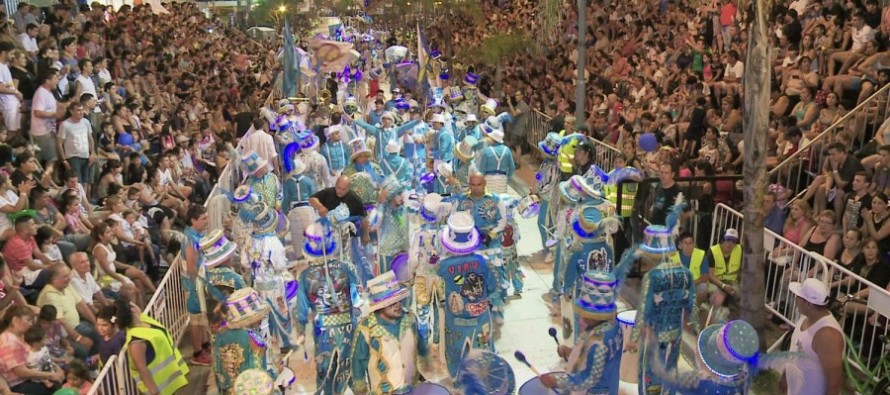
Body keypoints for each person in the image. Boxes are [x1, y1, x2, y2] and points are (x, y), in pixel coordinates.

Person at [295, 222, 359, 395]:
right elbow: (357, 298)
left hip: (323, 330)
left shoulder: (306, 276)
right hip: (349, 327)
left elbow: (300, 309)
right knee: (352, 368)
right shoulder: (346, 268)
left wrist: (300, 331)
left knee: (326, 371)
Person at [539, 270, 623, 394]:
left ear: (598, 315)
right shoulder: (613, 326)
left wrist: (556, 381)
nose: (582, 318)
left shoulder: (600, 344)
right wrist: (572, 351)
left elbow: (589, 379)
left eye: (586, 314)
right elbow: (590, 355)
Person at [437, 212, 498, 379]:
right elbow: (492, 288)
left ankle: (459, 382)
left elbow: (439, 296)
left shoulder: (442, 267)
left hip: (455, 322)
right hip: (480, 319)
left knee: (456, 354)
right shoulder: (483, 261)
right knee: (483, 354)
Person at [351, 271, 429, 395]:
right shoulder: (366, 329)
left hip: (410, 388)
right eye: (392, 303)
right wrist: (360, 388)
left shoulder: (409, 319)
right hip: (383, 391)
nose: (398, 305)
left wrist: (423, 370)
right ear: (380, 306)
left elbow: (420, 346)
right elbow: (358, 361)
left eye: (399, 300)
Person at [780, 278, 844, 395]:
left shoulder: (828, 335)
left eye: (799, 297)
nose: (795, 300)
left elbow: (834, 383)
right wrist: (785, 377)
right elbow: (793, 350)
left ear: (808, 304)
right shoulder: (806, 317)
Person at [119, 298, 190, 395]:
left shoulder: (144, 320)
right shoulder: (135, 340)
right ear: (132, 309)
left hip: (168, 379)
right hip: (157, 387)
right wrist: (153, 391)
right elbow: (141, 368)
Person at [0, 305, 64, 394]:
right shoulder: (9, 342)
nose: (30, 324)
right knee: (55, 385)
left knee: (63, 373)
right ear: (15, 320)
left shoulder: (22, 334)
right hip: (19, 383)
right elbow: (21, 372)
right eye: (28, 320)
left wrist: (55, 367)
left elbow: (40, 354)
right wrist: (51, 375)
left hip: (34, 370)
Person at [181, 204, 211, 366]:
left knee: (200, 317)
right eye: (203, 219)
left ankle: (205, 345)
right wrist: (198, 286)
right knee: (196, 320)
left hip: (198, 283)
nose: (206, 221)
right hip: (194, 285)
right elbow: (192, 268)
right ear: (193, 220)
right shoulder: (190, 240)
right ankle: (197, 353)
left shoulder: (195, 235)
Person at [649, 162, 680, 226]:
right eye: (661, 172)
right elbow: (656, 201)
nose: (663, 175)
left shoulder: (677, 191)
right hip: (655, 227)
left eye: (666, 173)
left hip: (667, 230)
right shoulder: (659, 185)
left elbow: (685, 213)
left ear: (672, 174)